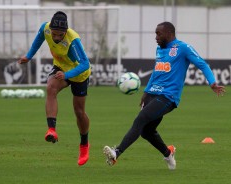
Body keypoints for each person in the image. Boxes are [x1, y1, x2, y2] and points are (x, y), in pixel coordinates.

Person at [103, 21, 225, 170]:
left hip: (168, 96)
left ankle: (116, 152)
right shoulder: (159, 50)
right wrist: (146, 92)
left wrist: (212, 82)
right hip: (152, 94)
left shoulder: (183, 48)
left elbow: (203, 64)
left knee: (140, 119)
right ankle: (168, 153)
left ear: (169, 33)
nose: (156, 37)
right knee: (146, 131)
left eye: (158, 33)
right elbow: (156, 72)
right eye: (155, 33)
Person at [18, 11, 91, 166]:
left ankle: (84, 144)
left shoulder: (73, 40)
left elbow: (85, 64)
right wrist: (29, 56)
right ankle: (51, 129)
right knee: (50, 87)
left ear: (65, 32)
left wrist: (67, 75)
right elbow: (38, 40)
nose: (56, 38)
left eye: (60, 35)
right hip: (60, 68)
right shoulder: (46, 28)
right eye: (54, 34)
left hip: (78, 74)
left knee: (79, 112)